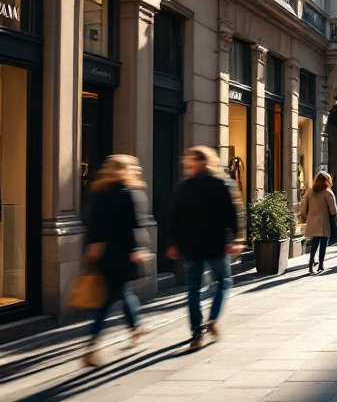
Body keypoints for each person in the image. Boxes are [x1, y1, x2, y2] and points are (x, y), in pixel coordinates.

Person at [166, 146, 243, 350]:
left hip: (191, 246)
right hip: (216, 245)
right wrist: (233, 239)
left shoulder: (183, 187)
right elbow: (232, 215)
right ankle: (212, 319)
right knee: (224, 282)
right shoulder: (221, 184)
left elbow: (173, 217)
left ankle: (196, 330)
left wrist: (173, 242)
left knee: (194, 289)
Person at [82, 155, 151, 367]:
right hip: (123, 254)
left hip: (103, 254)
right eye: (133, 168)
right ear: (125, 170)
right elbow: (135, 226)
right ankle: (91, 346)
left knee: (123, 291)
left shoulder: (98, 192)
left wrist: (92, 245)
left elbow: (91, 222)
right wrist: (138, 248)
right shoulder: (130, 194)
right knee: (108, 300)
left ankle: (136, 327)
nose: (137, 171)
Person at [301, 171, 337, 275]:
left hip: (312, 221)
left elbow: (303, 206)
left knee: (315, 242)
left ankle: (311, 263)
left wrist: (305, 216)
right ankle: (321, 264)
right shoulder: (328, 192)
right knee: (323, 243)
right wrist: (335, 214)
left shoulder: (309, 192)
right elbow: (333, 209)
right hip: (323, 220)